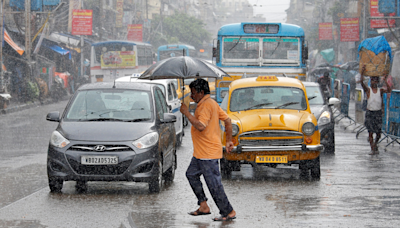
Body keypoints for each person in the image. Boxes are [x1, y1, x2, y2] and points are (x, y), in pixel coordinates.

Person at [179, 78, 236, 222]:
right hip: (200, 154)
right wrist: (228, 140)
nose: (191, 96)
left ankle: (228, 211)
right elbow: (228, 120)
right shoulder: (211, 103)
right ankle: (203, 205)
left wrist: (187, 113)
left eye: (193, 93)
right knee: (191, 174)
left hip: (207, 154)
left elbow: (200, 126)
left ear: (201, 92)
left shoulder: (205, 106)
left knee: (214, 184)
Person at [360, 65, 391, 155]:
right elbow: (362, 83)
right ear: (371, 81)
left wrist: (385, 80)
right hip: (370, 113)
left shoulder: (380, 90)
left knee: (378, 133)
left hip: (377, 113)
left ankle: (375, 143)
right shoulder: (368, 90)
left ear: (377, 82)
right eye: (373, 80)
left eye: (376, 81)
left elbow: (389, 90)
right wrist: (362, 72)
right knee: (370, 132)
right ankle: (372, 148)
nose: (374, 82)